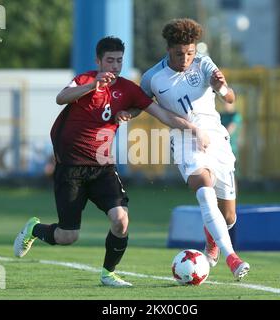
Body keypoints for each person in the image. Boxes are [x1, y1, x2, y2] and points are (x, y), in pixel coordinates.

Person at [12, 36, 209, 287]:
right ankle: (35, 229)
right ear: (98, 61)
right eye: (110, 60)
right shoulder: (86, 79)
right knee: (67, 236)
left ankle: (108, 273)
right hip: (70, 169)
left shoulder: (128, 89)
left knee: (120, 219)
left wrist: (194, 129)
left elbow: (163, 115)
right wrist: (92, 85)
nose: (115, 66)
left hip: (102, 168)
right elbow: (61, 98)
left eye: (119, 61)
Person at [139, 18, 250, 280]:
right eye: (180, 54)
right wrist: (124, 109)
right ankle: (232, 257)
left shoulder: (203, 63)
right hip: (185, 139)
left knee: (229, 216)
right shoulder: (152, 77)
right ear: (168, 49)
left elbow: (230, 97)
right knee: (203, 187)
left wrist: (221, 86)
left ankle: (212, 241)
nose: (186, 58)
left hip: (216, 138)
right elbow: (139, 103)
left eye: (190, 52)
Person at [219, 101, 242, 165]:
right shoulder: (221, 115)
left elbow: (230, 130)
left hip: (232, 148)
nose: (226, 105)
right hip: (220, 149)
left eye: (228, 103)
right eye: (225, 102)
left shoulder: (236, 116)